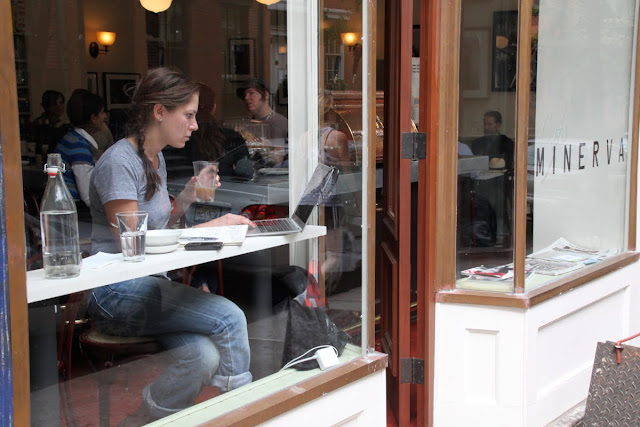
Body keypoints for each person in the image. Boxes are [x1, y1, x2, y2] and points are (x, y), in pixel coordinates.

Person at [86, 67, 255, 424]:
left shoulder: (155, 156)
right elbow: (133, 243)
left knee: (202, 357)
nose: (194, 125)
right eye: (189, 115)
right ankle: (243, 415)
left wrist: (187, 198)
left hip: (150, 285)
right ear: (160, 112)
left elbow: (160, 227)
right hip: (114, 291)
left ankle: (143, 420)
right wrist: (207, 228)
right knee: (230, 317)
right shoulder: (119, 162)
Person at [53, 89, 106, 208]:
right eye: (102, 113)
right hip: (71, 209)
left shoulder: (71, 138)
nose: (104, 116)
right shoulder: (79, 146)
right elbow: (88, 196)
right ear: (93, 118)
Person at [189, 82, 250, 177]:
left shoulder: (178, 140)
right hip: (228, 186)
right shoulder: (231, 137)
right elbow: (246, 170)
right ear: (214, 107)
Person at [236, 78, 288, 168]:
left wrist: (264, 147)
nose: (246, 98)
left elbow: (277, 160)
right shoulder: (246, 124)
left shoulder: (279, 122)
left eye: (251, 93)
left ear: (266, 95)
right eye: (245, 95)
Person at [31, 89, 69, 159]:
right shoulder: (39, 124)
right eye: (54, 104)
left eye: (61, 103)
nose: (59, 107)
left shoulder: (65, 126)